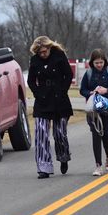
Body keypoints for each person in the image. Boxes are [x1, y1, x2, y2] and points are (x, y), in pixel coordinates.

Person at [27, 36, 73, 179]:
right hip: (43, 101)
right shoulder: (34, 61)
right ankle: (43, 167)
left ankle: (63, 156)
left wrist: (62, 91)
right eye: (40, 52)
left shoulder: (59, 55)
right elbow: (31, 81)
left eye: (45, 51)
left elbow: (68, 75)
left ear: (49, 47)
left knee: (59, 133)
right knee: (41, 133)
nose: (43, 54)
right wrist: (38, 93)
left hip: (60, 100)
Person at [80, 49, 108, 176]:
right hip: (93, 110)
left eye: (101, 62)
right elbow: (82, 90)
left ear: (105, 61)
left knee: (107, 135)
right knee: (96, 135)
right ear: (92, 62)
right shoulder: (88, 74)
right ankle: (98, 165)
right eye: (96, 63)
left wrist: (106, 90)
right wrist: (90, 93)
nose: (99, 65)